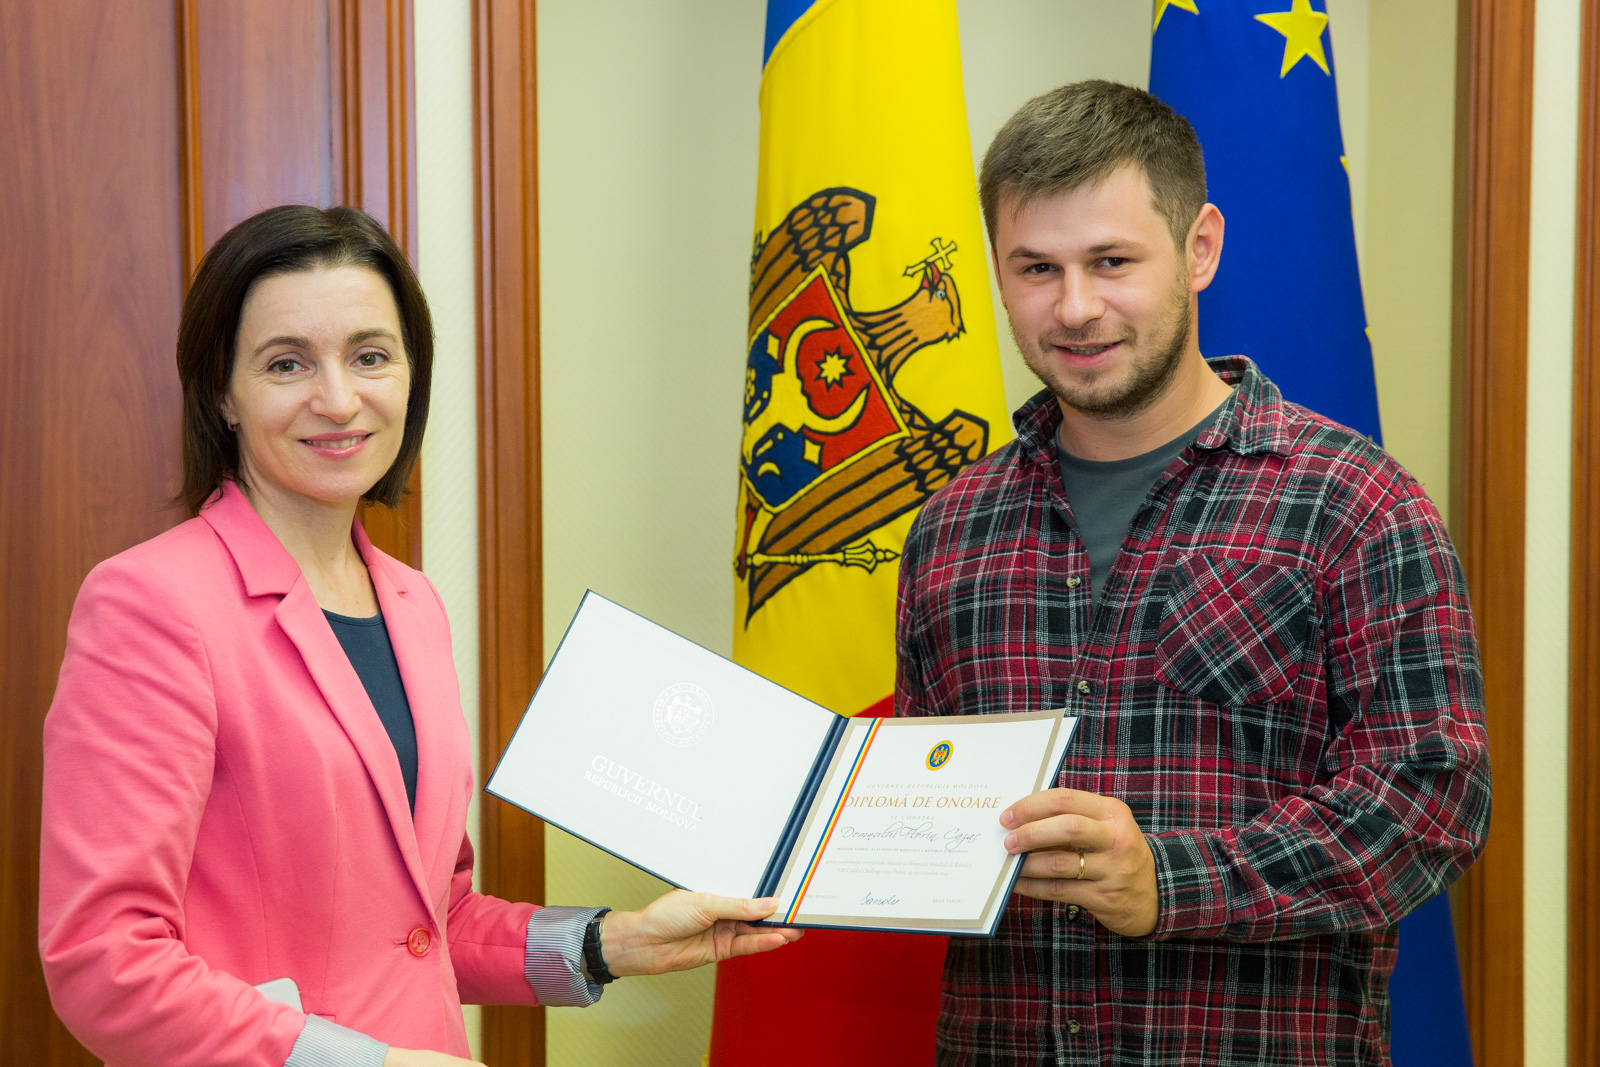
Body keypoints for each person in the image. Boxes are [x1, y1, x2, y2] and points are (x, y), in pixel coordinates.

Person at [38, 205, 802, 1067]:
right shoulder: (150, 602)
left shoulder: (412, 603)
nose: (339, 399)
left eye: (370, 356)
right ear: (223, 394)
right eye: (287, 363)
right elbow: (104, 960)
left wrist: (610, 942)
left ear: (412, 375)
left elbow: (425, 921)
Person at [895, 80, 1490, 1065]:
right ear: (997, 272)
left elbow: (1431, 798)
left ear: (1198, 247)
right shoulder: (950, 527)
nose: (1075, 307)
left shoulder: (1354, 502)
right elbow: (930, 809)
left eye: (1112, 261)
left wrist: (1169, 882)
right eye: (1036, 268)